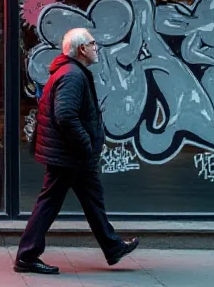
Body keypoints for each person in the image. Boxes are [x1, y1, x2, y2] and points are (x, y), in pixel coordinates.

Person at [15, 27, 139, 275]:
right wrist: (86, 144)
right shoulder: (72, 75)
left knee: (92, 199)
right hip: (69, 155)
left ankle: (112, 247)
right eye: (92, 44)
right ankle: (26, 256)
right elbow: (65, 116)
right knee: (49, 203)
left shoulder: (72, 71)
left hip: (73, 155)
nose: (96, 48)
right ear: (82, 49)